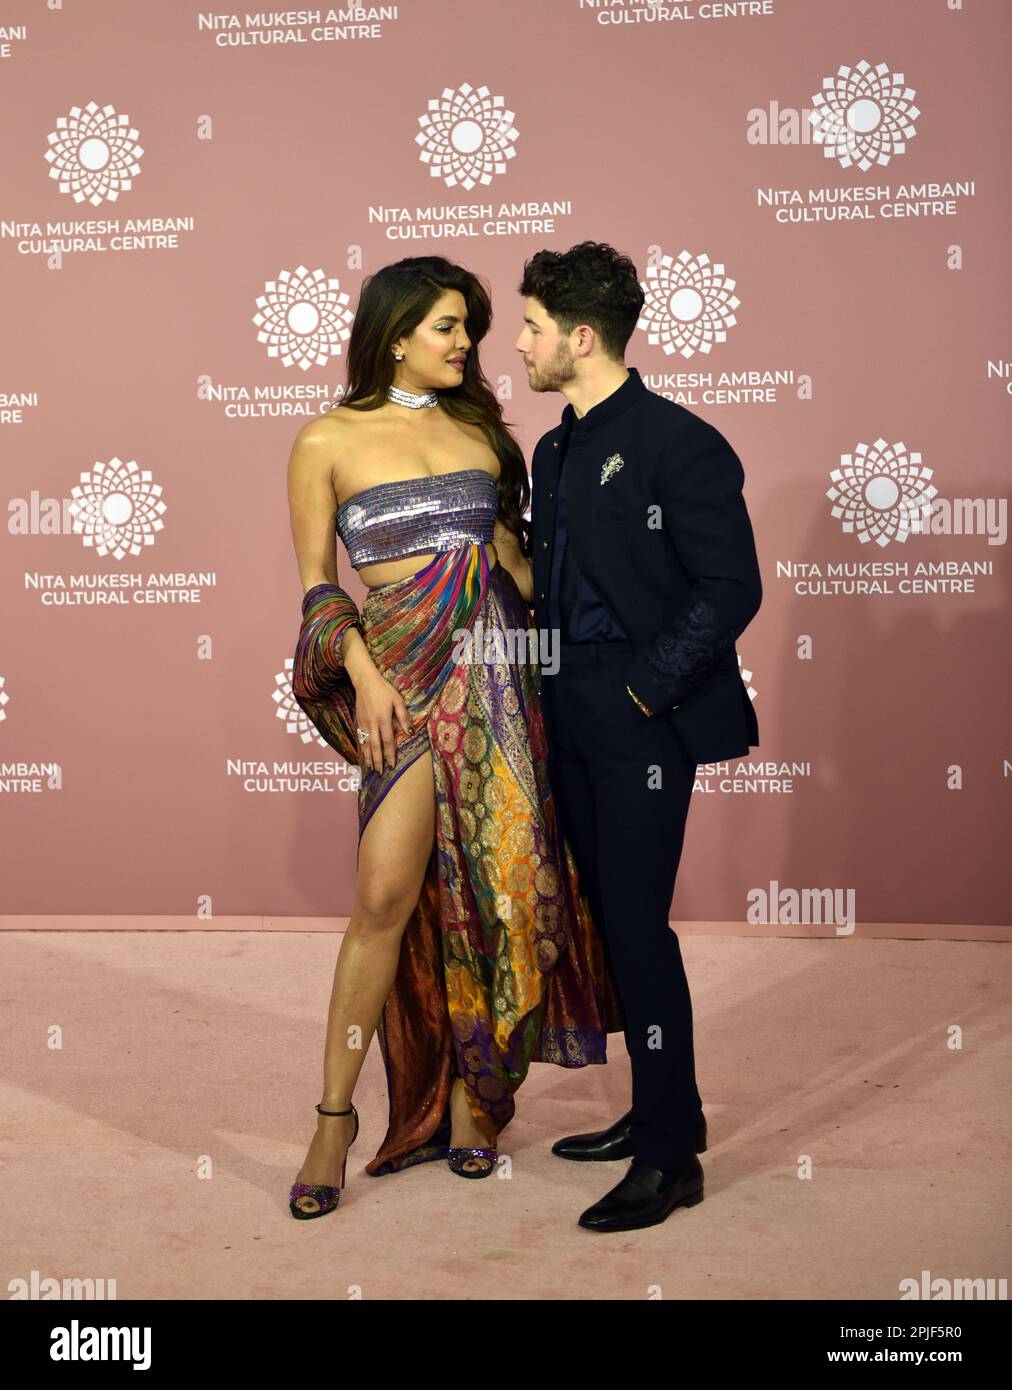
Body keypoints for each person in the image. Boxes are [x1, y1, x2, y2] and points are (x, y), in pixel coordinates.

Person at [285, 254, 622, 1219]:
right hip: (397, 678)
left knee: (507, 887)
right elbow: (318, 589)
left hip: (499, 682)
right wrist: (363, 672)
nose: (468, 343)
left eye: (472, 326)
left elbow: (515, 557)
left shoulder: (483, 432)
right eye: (448, 326)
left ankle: (481, 1097)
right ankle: (334, 1118)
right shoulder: (326, 441)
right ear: (395, 333)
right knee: (386, 897)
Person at [515, 241, 762, 1232]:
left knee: (637, 930)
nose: (519, 344)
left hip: (636, 716)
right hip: (564, 706)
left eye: (531, 327)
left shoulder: (678, 442)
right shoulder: (554, 446)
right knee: (607, 926)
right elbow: (558, 586)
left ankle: (669, 1156)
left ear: (580, 337)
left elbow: (730, 588)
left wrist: (643, 694)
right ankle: (662, 1108)